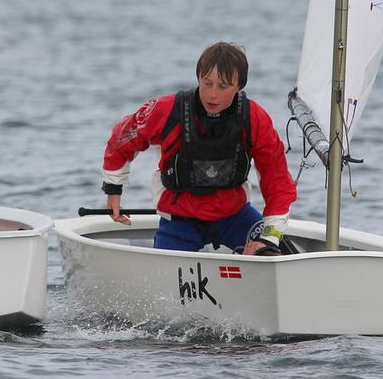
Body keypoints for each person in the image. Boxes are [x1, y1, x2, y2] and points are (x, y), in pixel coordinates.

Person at [102, 42, 297, 255]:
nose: (212, 94)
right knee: (165, 279)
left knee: (275, 254)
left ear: (239, 86)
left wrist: (267, 239)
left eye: (223, 86)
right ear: (198, 79)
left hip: (235, 217)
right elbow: (122, 137)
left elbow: (277, 180)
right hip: (179, 221)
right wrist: (113, 189)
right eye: (207, 83)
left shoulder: (255, 118)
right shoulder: (167, 109)